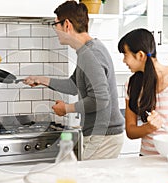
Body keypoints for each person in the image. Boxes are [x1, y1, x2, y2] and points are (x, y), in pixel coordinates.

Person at [24, 1, 124, 160]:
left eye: (56, 24)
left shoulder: (90, 54)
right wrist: (41, 79)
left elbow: (100, 99)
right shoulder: (88, 50)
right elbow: (73, 85)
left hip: (103, 136)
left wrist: (67, 108)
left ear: (67, 25)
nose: (55, 29)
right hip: (102, 134)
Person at [118, 28, 168, 156]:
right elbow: (130, 132)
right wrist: (149, 128)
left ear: (140, 55)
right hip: (146, 160)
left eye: (125, 55)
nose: (124, 60)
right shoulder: (132, 85)